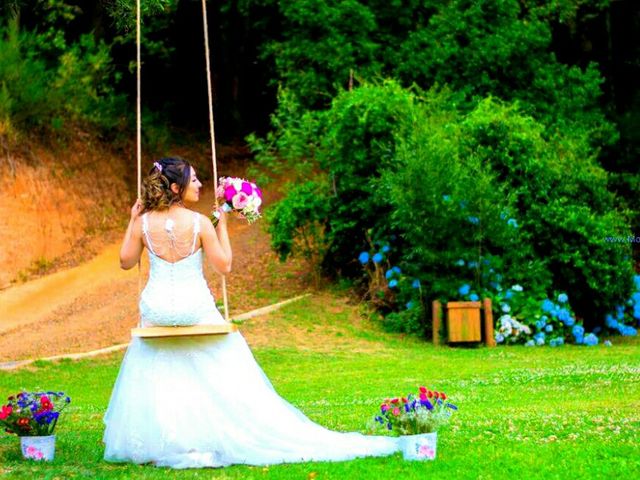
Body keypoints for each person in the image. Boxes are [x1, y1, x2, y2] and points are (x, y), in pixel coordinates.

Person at [103, 156, 399, 469]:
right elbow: (224, 265)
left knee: (150, 352)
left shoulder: (144, 222)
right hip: (194, 309)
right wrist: (224, 224)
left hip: (158, 309)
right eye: (194, 180)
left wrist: (133, 218)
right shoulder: (201, 223)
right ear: (176, 187)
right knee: (227, 354)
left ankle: (159, 437)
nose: (200, 184)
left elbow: (125, 261)